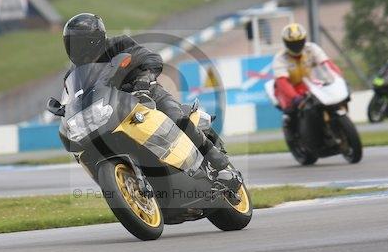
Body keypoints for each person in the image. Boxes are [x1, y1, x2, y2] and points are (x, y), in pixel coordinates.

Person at [61, 13, 230, 171]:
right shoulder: (73, 74)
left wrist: (144, 78)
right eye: (71, 44)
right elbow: (73, 98)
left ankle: (213, 156)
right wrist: (65, 110)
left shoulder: (119, 45)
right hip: (111, 111)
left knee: (175, 116)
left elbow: (149, 57)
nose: (75, 48)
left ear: (94, 41)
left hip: (143, 92)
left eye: (79, 43)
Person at [272, 23, 342, 127]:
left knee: (332, 99)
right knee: (290, 112)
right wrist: (295, 97)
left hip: (309, 84)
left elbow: (327, 64)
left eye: (299, 42)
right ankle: (293, 131)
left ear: (304, 39)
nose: (296, 45)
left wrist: (339, 79)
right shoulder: (280, 58)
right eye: (292, 43)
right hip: (288, 89)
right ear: (285, 43)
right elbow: (282, 82)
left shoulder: (312, 48)